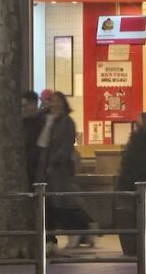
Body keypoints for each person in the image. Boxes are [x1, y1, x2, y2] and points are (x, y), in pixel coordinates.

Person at [37, 91, 98, 251]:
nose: (55, 104)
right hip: (47, 171)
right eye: (52, 101)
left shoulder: (67, 122)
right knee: (55, 205)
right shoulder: (48, 121)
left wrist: (55, 165)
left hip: (60, 171)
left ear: (64, 104)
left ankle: (79, 230)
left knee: (62, 204)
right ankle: (84, 229)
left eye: (58, 101)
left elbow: (65, 146)